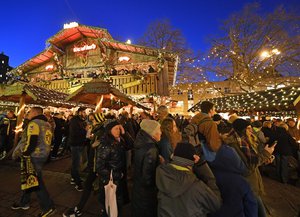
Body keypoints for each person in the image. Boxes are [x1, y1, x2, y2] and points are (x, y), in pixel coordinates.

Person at [223, 118, 275, 217]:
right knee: (256, 211)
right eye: (248, 128)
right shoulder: (234, 144)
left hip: (251, 182)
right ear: (242, 130)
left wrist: (265, 159)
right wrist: (266, 154)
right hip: (247, 183)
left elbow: (253, 161)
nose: (250, 130)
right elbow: (247, 167)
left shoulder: (244, 141)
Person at [156, 142, 222, 217]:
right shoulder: (197, 187)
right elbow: (216, 204)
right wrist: (202, 167)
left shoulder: (161, 177)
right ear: (192, 162)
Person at [11, 107, 55, 217]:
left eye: (29, 112)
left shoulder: (34, 123)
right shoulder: (47, 124)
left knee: (36, 182)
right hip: (43, 155)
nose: (28, 113)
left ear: (35, 112)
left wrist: (25, 153)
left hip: (33, 156)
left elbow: (32, 141)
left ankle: (48, 207)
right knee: (29, 179)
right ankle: (24, 202)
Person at [63, 113, 107, 217]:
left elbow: (101, 147)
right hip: (95, 165)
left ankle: (80, 209)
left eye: (94, 120)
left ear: (98, 121)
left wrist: (95, 143)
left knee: (96, 188)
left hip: (96, 165)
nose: (92, 121)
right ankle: (80, 208)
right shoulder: (99, 131)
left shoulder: (100, 132)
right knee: (93, 187)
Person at [96, 120, 134, 216]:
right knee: (111, 206)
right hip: (111, 181)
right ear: (109, 130)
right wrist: (117, 175)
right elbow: (100, 167)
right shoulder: (106, 145)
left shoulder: (118, 141)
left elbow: (131, 145)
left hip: (118, 180)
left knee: (116, 206)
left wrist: (125, 133)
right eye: (116, 129)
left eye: (119, 129)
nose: (118, 131)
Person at [132, 119, 162, 217]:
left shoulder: (140, 143)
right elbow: (147, 177)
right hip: (147, 193)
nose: (161, 132)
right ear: (152, 133)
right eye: (159, 130)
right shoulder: (151, 149)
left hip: (138, 188)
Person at [68, 108, 87, 191]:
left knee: (75, 162)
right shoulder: (75, 121)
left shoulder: (81, 120)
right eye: (84, 112)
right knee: (76, 164)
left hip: (79, 143)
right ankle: (77, 183)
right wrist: (86, 131)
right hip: (76, 144)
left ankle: (73, 178)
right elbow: (75, 133)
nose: (85, 113)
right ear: (79, 112)